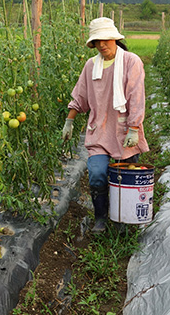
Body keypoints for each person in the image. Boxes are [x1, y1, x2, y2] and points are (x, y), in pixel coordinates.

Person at [61, 17, 149, 233]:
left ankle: (124, 220)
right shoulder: (91, 65)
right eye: (97, 41)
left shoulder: (131, 61)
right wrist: (69, 120)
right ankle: (101, 217)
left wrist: (134, 128)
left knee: (124, 177)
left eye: (106, 39)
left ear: (115, 39)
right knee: (98, 173)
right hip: (99, 132)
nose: (102, 44)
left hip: (124, 132)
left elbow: (137, 97)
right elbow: (80, 96)